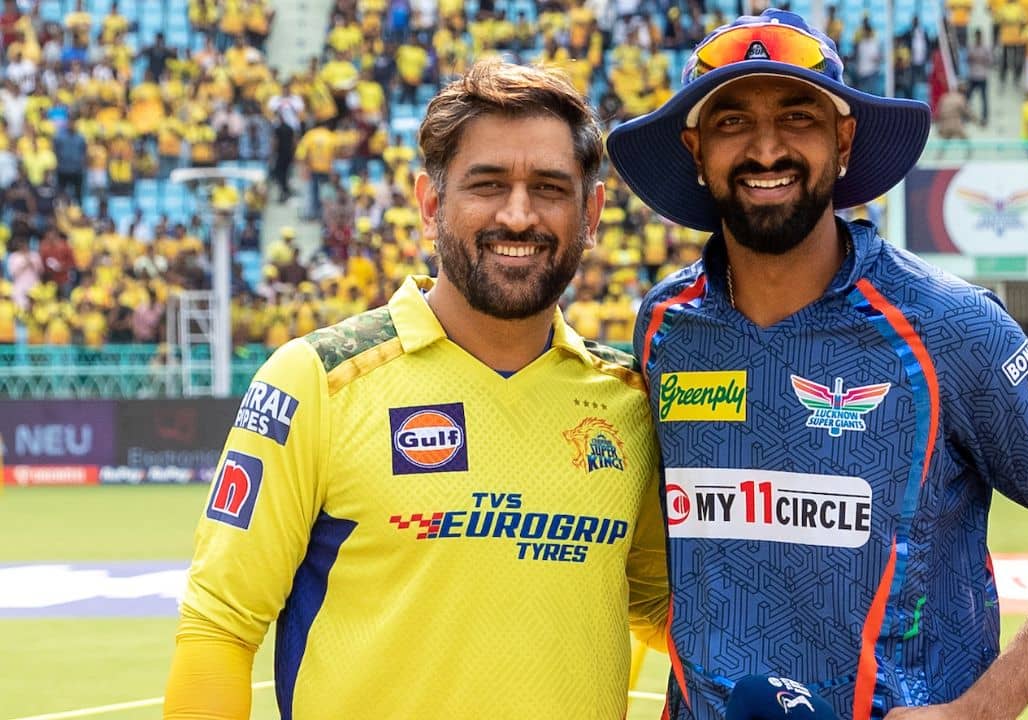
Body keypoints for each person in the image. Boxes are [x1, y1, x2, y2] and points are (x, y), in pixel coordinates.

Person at [607, 9, 1028, 719]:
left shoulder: (950, 325)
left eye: (798, 116)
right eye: (733, 121)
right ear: (696, 150)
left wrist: (981, 710)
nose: (766, 149)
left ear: (842, 141)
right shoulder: (665, 327)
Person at [163, 60, 668, 718]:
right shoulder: (318, 380)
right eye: (487, 185)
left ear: (591, 212)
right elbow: (220, 626)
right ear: (431, 206)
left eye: (549, 188)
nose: (519, 215)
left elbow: (666, 609)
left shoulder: (631, 403)